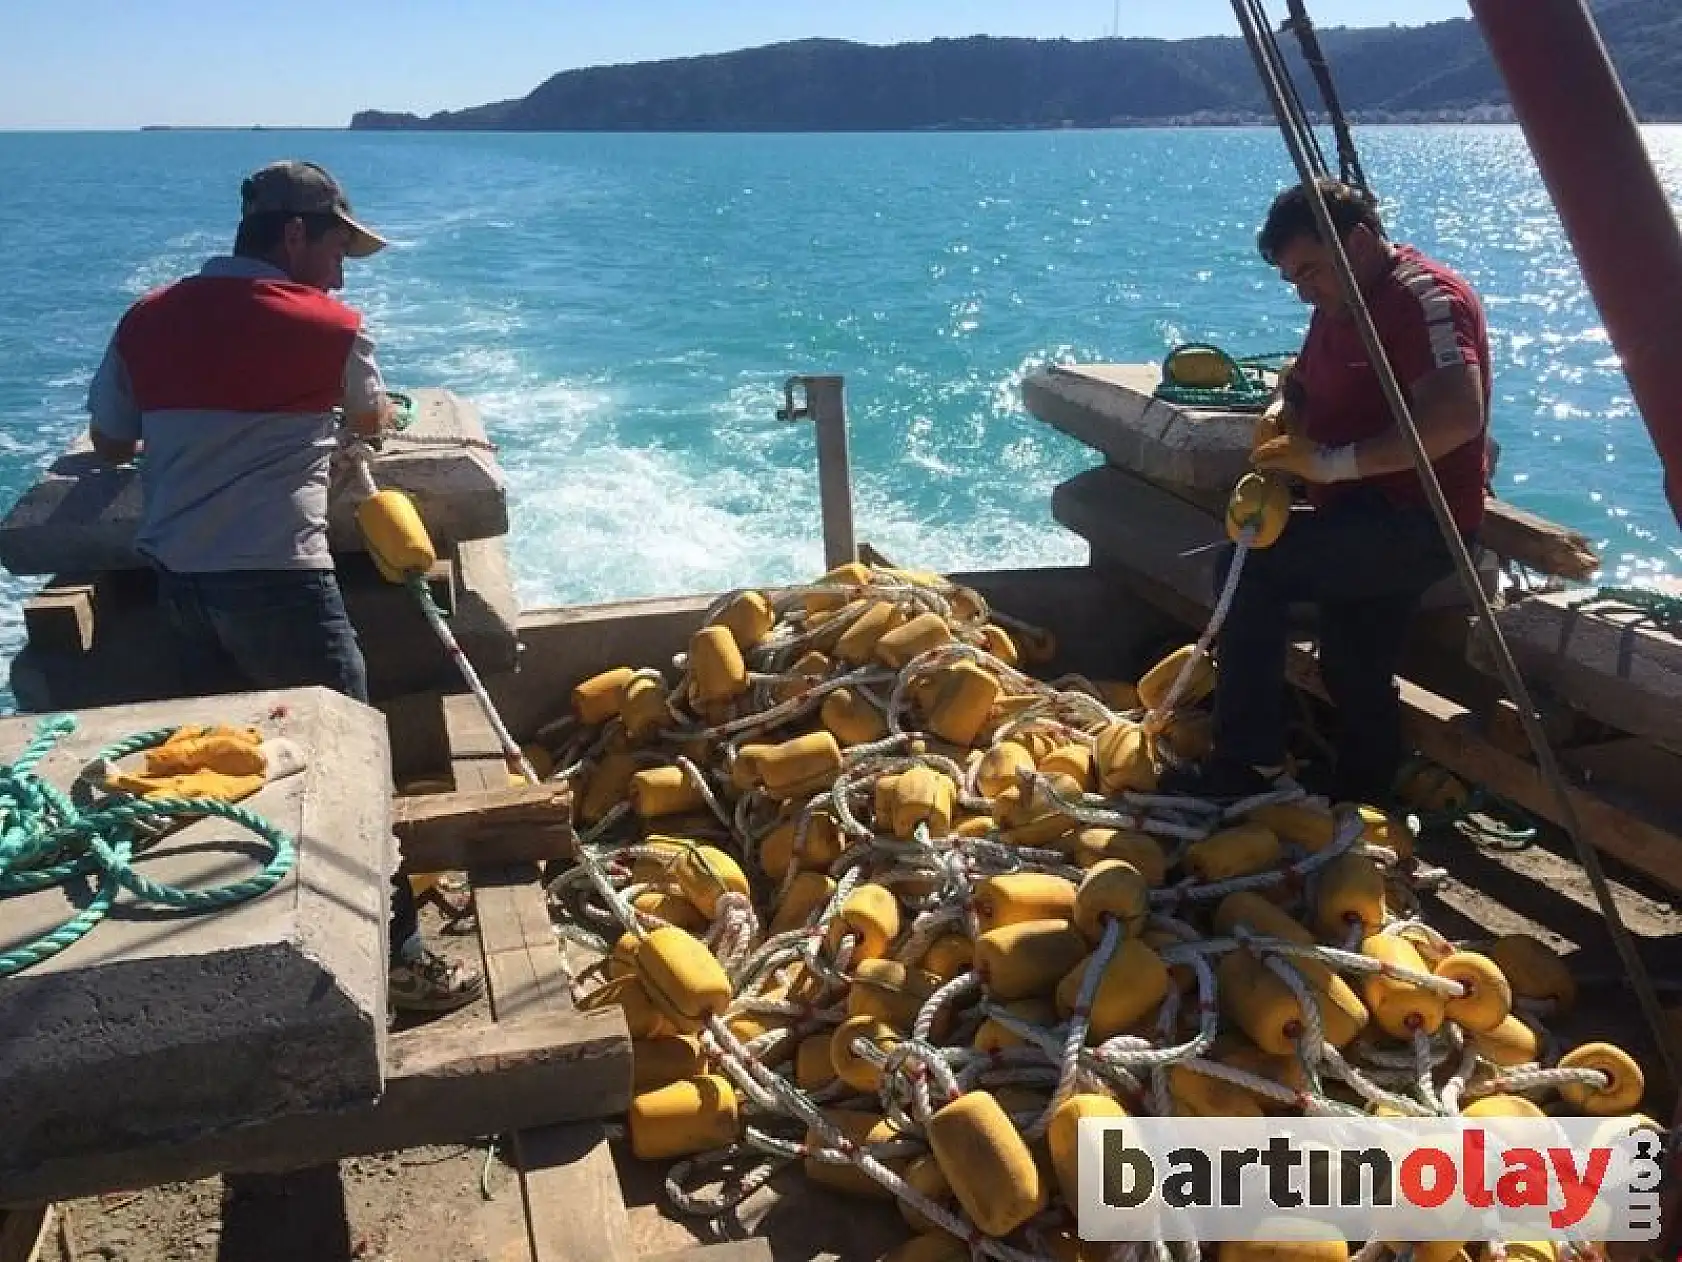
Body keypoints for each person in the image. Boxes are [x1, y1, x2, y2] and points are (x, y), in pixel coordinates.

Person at [85, 159, 484, 1015]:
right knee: (350, 772)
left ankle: (239, 961)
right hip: (283, 588)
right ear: (294, 234)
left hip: (180, 588)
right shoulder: (332, 328)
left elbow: (113, 444)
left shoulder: (145, 320)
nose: (344, 269)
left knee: (229, 773)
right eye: (339, 246)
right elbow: (374, 421)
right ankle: (403, 962)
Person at [1158, 177, 1492, 809]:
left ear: (1360, 241)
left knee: (1247, 565)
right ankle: (1364, 782)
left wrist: (1332, 464)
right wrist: (1286, 409)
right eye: (1294, 281)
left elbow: (1456, 417)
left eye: (1312, 271)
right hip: (1358, 511)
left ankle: (1245, 764)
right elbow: (1303, 379)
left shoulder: (1425, 300)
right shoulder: (1339, 304)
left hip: (1417, 524)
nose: (1306, 291)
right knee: (1351, 657)